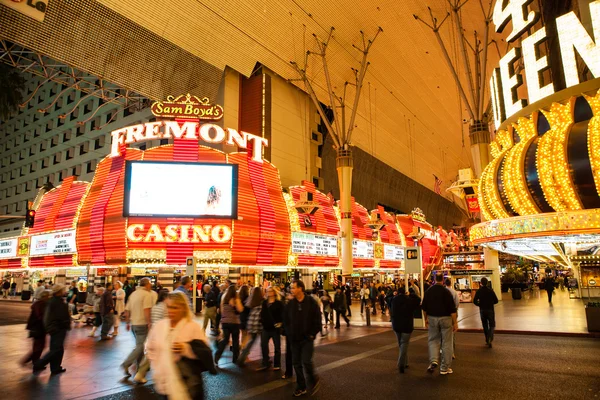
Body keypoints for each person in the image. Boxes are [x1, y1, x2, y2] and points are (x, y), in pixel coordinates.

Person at [146, 292, 215, 399]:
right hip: (163, 382)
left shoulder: (193, 327)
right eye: (168, 307)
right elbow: (149, 347)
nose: (170, 311)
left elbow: (205, 352)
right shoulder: (160, 326)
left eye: (174, 307)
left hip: (187, 383)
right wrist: (156, 365)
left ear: (183, 308)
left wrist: (186, 348)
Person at [284, 280, 321, 397]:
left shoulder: (311, 302)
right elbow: (286, 320)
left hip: (307, 339)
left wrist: (312, 334)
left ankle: (313, 379)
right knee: (296, 363)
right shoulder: (290, 304)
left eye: (293, 288)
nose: (291, 290)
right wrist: (288, 333)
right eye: (291, 288)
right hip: (294, 339)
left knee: (306, 361)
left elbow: (317, 319)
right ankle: (301, 386)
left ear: (300, 288)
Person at [421, 274, 458, 375]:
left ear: (434, 280)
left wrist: (426, 319)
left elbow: (424, 308)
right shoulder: (446, 292)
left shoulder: (429, 291)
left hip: (432, 318)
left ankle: (434, 360)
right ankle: (444, 368)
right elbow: (452, 310)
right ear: (443, 280)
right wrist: (455, 323)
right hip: (446, 318)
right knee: (447, 342)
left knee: (433, 340)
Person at [33, 284, 70, 374]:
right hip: (57, 329)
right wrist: (52, 328)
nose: (65, 292)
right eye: (64, 290)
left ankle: (55, 367)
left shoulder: (57, 301)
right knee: (56, 349)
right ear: (59, 292)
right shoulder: (54, 302)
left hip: (59, 328)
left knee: (59, 349)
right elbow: (51, 317)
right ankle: (39, 363)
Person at [121, 278, 154, 378]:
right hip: (142, 323)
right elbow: (146, 310)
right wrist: (149, 322)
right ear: (147, 284)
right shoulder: (146, 294)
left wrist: (127, 322)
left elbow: (127, 310)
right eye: (150, 284)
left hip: (134, 324)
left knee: (140, 346)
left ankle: (139, 365)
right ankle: (126, 363)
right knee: (140, 346)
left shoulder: (133, 294)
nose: (151, 286)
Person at [391, 288, 421, 373]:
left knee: (400, 343)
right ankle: (401, 363)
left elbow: (387, 298)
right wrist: (411, 293)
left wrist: (393, 294)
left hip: (396, 324)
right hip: (407, 325)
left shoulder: (394, 300)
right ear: (405, 292)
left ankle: (405, 362)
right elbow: (418, 299)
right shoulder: (409, 300)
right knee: (404, 343)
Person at [214, 285, 244, 365]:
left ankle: (217, 355)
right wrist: (236, 304)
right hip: (234, 322)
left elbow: (221, 310)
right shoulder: (235, 299)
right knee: (235, 341)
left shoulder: (224, 298)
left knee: (225, 340)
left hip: (225, 322)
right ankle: (235, 359)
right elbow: (240, 309)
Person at [259, 286, 284, 371]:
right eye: (267, 291)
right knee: (263, 345)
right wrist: (262, 321)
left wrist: (280, 323)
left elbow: (282, 314)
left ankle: (277, 364)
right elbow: (262, 313)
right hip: (265, 328)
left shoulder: (278, 303)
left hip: (275, 328)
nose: (269, 293)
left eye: (270, 291)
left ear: (274, 292)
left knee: (277, 347)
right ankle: (265, 362)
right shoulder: (264, 303)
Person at [22, 289, 50, 367]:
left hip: (38, 328)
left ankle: (35, 362)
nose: (49, 297)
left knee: (39, 346)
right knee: (38, 346)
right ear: (45, 296)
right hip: (37, 328)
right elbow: (40, 316)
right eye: (48, 296)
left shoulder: (41, 303)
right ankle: (29, 360)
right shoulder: (40, 304)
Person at [237, 286, 264, 367]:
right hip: (258, 323)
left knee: (250, 341)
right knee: (262, 343)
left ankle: (241, 357)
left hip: (250, 322)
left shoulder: (250, 300)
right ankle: (265, 359)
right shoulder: (261, 301)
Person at [473, 277, 499, 348]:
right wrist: (490, 303)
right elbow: (496, 300)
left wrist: (479, 304)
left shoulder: (479, 291)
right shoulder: (490, 291)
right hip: (490, 310)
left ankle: (487, 339)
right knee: (492, 324)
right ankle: (490, 336)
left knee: (485, 325)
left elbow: (474, 301)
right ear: (487, 283)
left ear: (481, 283)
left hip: (482, 310)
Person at [445, 278, 460, 359]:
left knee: (444, 332)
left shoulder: (443, 291)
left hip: (443, 314)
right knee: (452, 332)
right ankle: (452, 352)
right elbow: (457, 303)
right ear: (451, 284)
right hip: (452, 313)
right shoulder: (454, 292)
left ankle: (443, 349)